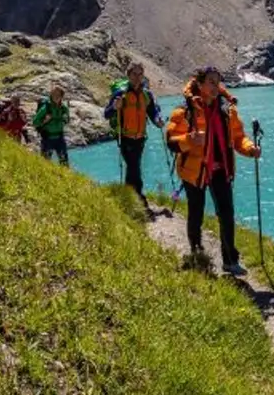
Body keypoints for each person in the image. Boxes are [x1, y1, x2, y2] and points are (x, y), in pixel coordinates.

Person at [164, 66, 261, 275]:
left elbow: (237, 138)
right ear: (199, 84)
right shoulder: (186, 110)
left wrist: (249, 148)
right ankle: (197, 251)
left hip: (220, 170)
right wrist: (189, 140)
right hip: (194, 171)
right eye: (210, 81)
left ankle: (229, 259)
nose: (215, 86)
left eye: (217, 81)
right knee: (196, 212)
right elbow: (170, 140)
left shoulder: (227, 110)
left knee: (226, 213)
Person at [104, 62, 165, 215]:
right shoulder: (120, 94)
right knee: (134, 168)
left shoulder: (147, 94)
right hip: (125, 137)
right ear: (128, 75)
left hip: (140, 138)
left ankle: (129, 199)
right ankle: (139, 198)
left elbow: (153, 113)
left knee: (133, 167)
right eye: (134, 74)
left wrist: (158, 121)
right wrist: (114, 107)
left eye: (140, 74)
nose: (137, 78)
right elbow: (107, 114)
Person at [33, 85, 71, 165]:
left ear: (61, 96)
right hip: (47, 139)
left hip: (60, 138)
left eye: (58, 95)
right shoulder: (46, 108)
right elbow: (35, 122)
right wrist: (44, 120)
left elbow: (67, 120)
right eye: (53, 95)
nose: (56, 97)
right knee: (45, 164)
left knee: (64, 163)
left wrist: (65, 119)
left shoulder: (64, 108)